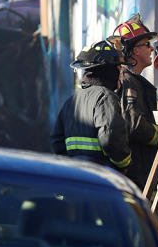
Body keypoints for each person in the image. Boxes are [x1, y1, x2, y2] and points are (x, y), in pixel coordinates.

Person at [50, 40, 131, 172]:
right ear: (108, 71)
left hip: (76, 175)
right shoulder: (105, 97)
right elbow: (110, 137)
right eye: (118, 69)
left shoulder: (72, 100)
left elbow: (56, 140)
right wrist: (124, 164)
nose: (120, 75)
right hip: (102, 175)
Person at [112, 14, 158, 188]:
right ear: (135, 50)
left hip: (138, 167)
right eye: (147, 44)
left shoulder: (128, 79)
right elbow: (134, 125)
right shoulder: (128, 81)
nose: (152, 49)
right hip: (135, 169)